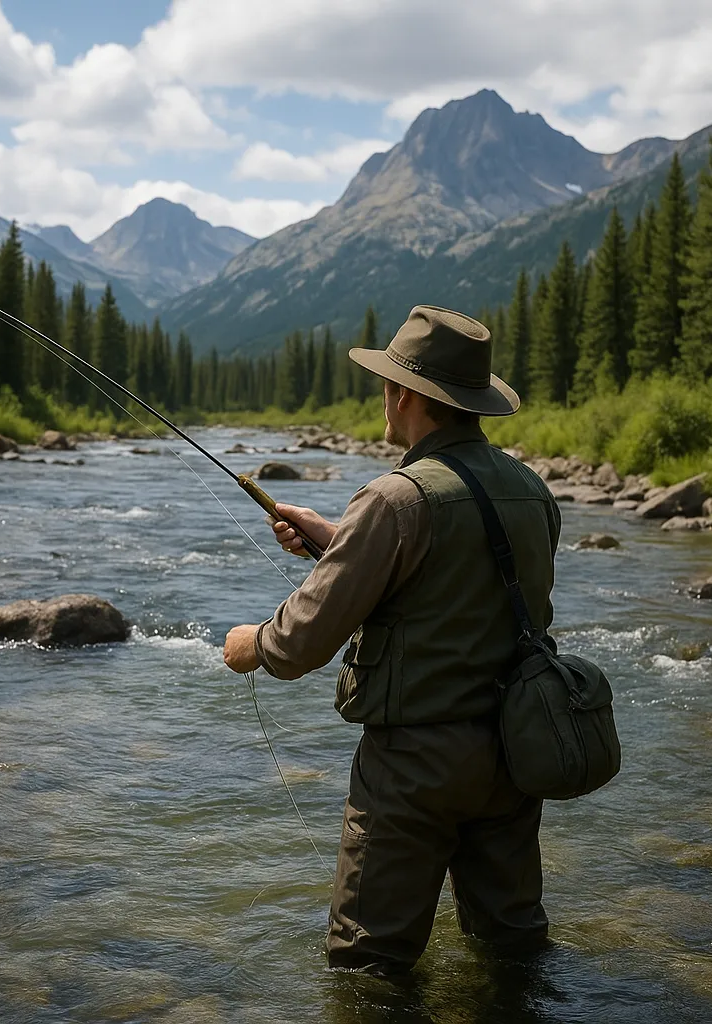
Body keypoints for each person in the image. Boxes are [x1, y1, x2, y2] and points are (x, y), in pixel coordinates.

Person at [223, 305, 562, 975]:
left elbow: (301, 644)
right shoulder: (531, 490)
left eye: (386, 384)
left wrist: (251, 644)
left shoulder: (393, 499)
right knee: (511, 953)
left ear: (404, 394)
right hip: (515, 754)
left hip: (413, 768)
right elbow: (459, 589)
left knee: (368, 970)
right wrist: (338, 540)